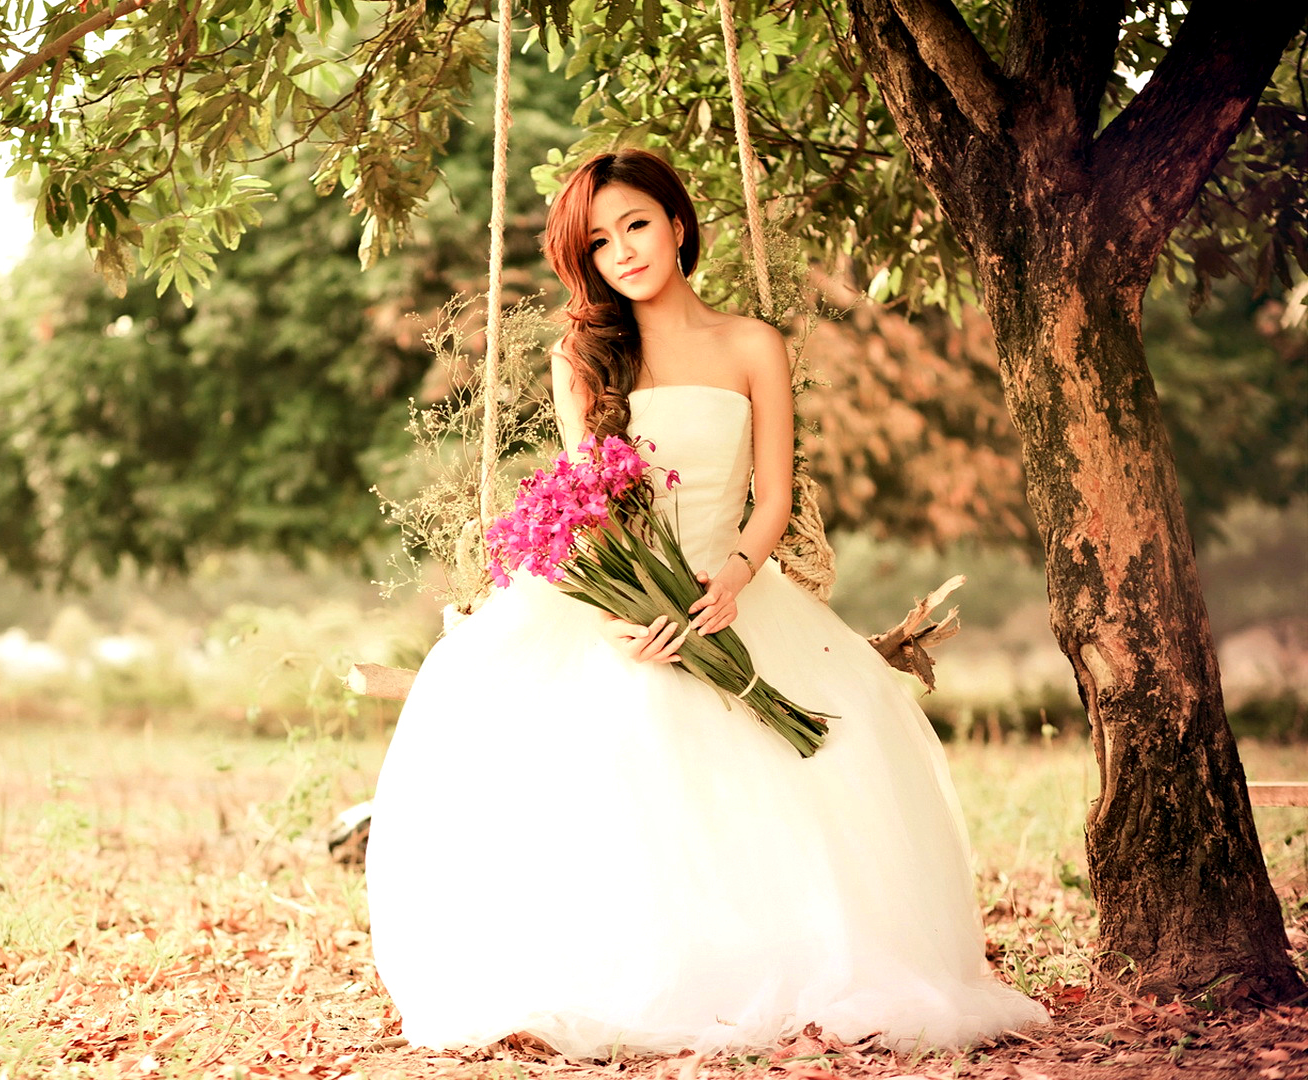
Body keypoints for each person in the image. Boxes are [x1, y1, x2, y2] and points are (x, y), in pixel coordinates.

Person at [363, 148, 1050, 1060]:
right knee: (608, 747)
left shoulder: (749, 343)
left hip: (733, 586)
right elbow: (592, 498)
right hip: (628, 593)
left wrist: (729, 578)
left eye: (636, 225)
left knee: (806, 765)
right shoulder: (586, 357)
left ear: (678, 224)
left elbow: (772, 496)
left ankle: (792, 962)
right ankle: (624, 973)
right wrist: (624, 604)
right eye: (600, 243)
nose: (624, 252)